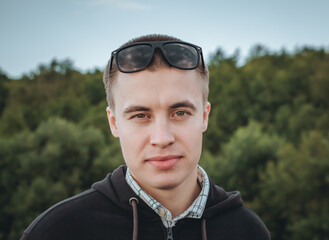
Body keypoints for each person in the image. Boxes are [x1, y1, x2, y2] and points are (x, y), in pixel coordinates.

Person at [20, 34, 271, 240]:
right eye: (141, 115)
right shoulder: (58, 231)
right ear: (114, 122)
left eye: (180, 112)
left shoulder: (248, 231)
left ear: (204, 117)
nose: (162, 138)